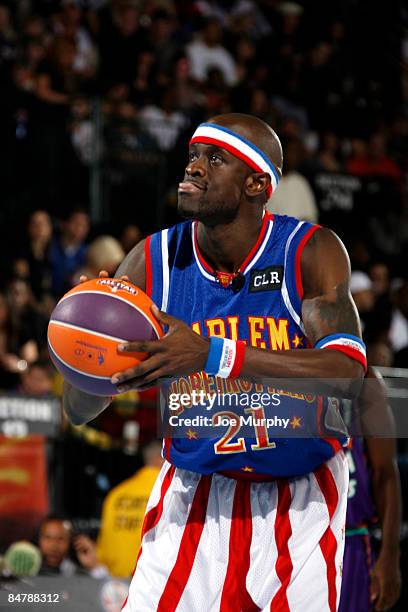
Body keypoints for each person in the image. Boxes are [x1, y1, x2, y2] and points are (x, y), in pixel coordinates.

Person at [64, 113, 365, 610]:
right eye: (193, 156)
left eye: (214, 158)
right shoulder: (152, 259)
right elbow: (78, 410)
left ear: (256, 184)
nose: (195, 167)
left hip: (300, 497)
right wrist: (90, 350)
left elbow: (348, 378)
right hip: (194, 493)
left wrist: (212, 353)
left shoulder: (308, 252)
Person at [339, 368, 401, 612]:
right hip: (294, 535)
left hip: (351, 541)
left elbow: (385, 472)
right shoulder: (278, 368)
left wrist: (390, 554)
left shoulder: (363, 379)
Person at [97, 440, 164, 578]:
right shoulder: (167, 492)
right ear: (160, 458)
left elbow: (104, 543)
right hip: (150, 579)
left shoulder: (117, 493)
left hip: (113, 578)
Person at [37, 515, 108, 579]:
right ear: (38, 539)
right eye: (47, 537)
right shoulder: (29, 571)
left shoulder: (79, 575)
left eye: (60, 538)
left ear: (70, 542)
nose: (53, 545)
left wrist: (94, 566)